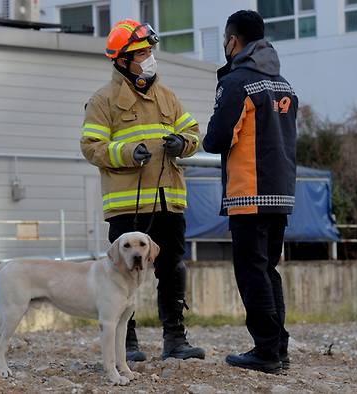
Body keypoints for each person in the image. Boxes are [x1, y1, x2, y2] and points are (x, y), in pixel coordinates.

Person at [80, 19, 205, 362]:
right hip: (128, 204)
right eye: (142, 53)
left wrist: (183, 143)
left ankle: (175, 340)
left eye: (151, 50)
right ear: (122, 60)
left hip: (168, 198)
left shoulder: (167, 95)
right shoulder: (103, 100)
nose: (150, 57)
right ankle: (127, 342)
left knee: (173, 266)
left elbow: (194, 133)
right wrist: (126, 153)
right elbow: (91, 147)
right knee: (120, 271)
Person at [202, 10, 298, 373]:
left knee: (251, 272)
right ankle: (278, 346)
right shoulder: (284, 83)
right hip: (281, 194)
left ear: (232, 41)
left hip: (248, 194)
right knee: (268, 269)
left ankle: (266, 351)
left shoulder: (238, 81)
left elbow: (217, 138)